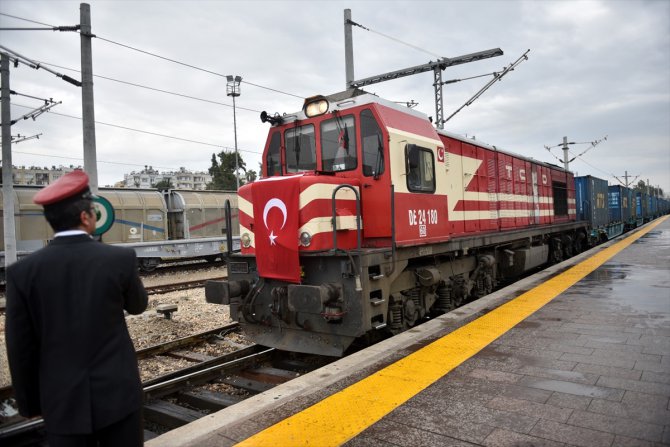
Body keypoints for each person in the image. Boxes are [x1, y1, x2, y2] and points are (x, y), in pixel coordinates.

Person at [5, 170, 148, 447]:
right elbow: (138, 306)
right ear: (85, 217)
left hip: (61, 401)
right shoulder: (119, 259)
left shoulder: (21, 273)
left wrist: (32, 404)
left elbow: (20, 347)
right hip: (118, 395)